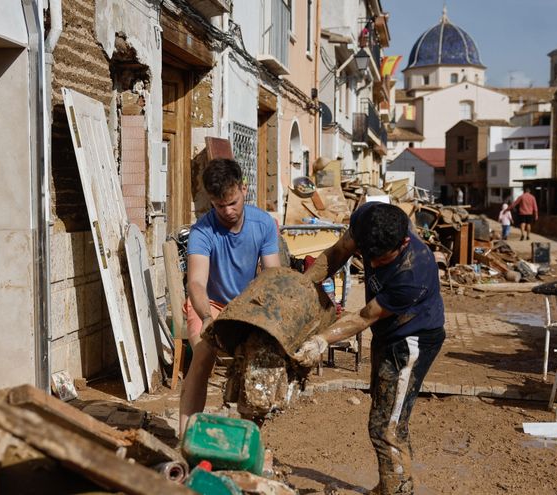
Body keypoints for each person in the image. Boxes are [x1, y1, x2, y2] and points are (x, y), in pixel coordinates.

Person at [297, 202, 445, 495]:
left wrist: (321, 340)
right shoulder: (369, 219)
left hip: (411, 341)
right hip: (388, 334)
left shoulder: (412, 273)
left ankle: (397, 491)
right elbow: (339, 252)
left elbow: (364, 316)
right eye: (369, 256)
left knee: (386, 426)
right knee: (386, 413)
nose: (373, 264)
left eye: (381, 260)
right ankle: (392, 484)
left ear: (403, 243)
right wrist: (302, 287)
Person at [179, 158, 280, 434]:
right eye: (219, 205)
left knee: (259, 364)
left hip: (247, 304)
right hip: (209, 304)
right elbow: (196, 284)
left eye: (232, 202)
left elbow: (272, 277)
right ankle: (185, 437)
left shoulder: (264, 224)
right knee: (201, 355)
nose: (227, 211)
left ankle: (248, 437)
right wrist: (207, 318)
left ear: (243, 189)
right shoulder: (202, 230)